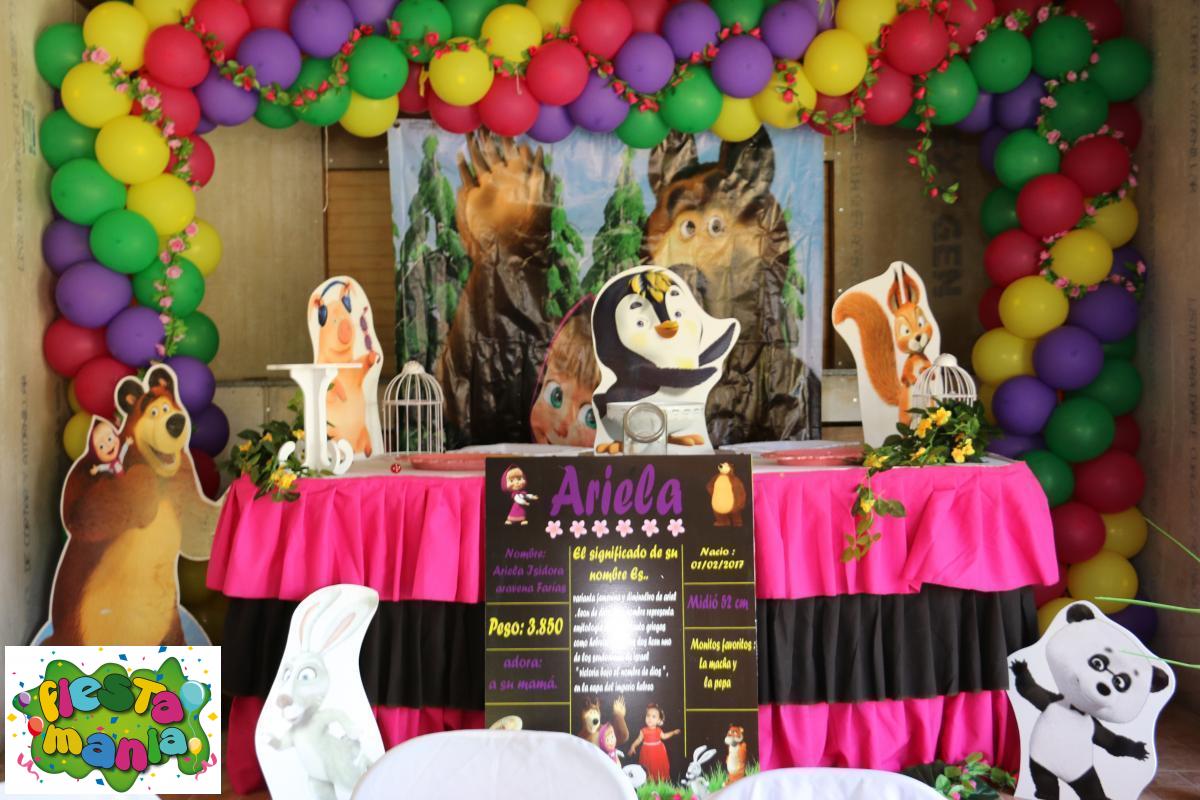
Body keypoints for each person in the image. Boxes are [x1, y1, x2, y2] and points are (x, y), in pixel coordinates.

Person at [627, 703, 680, 782]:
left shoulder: (658, 730)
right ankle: (649, 781)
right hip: (647, 752)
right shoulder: (643, 730)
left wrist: (673, 733)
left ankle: (658, 781)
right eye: (648, 715)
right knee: (648, 767)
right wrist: (633, 746)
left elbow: (664, 736)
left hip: (658, 752)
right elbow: (638, 740)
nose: (650, 718)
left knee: (657, 766)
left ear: (659, 720)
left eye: (653, 716)